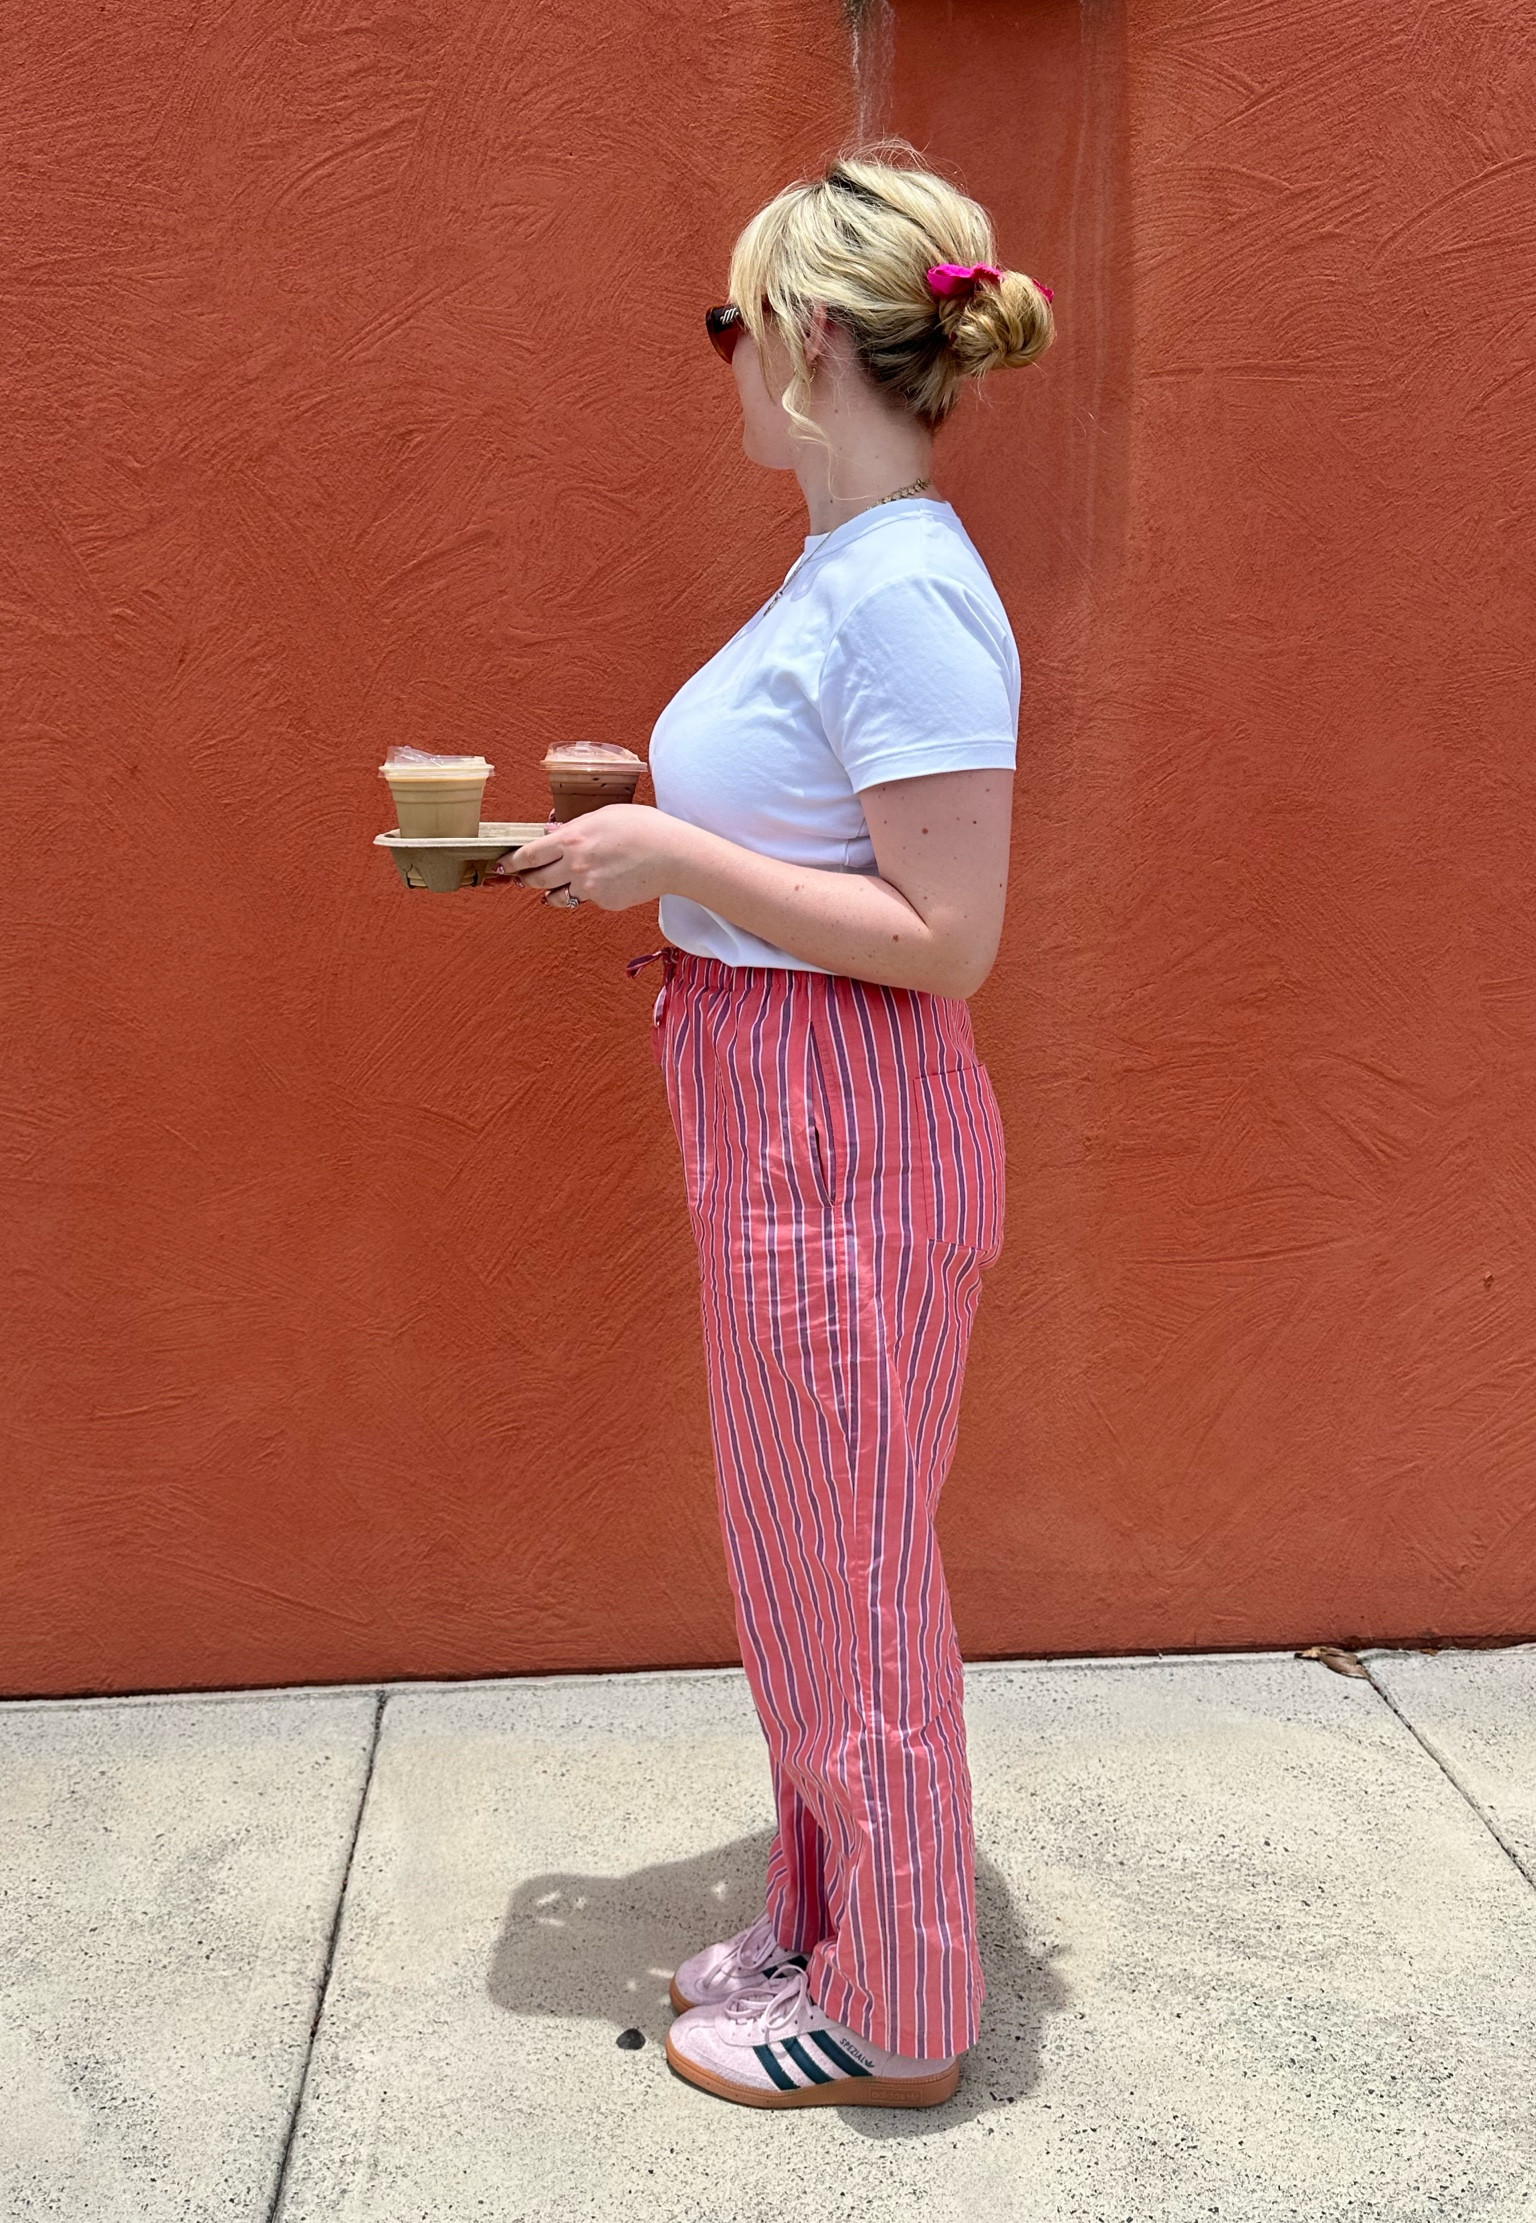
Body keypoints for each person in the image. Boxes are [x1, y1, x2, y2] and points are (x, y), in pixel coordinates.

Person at [496, 142, 1054, 2109]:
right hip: (783, 1121)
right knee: (803, 1562)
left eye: (732, 324)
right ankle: (832, 1918)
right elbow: (812, 846)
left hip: (847, 1139)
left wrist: (665, 847)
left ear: (812, 338)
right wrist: (650, 843)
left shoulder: (907, 588)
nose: (721, 358)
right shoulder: (849, 570)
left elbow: (949, 934)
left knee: (855, 1577)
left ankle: (896, 2002)